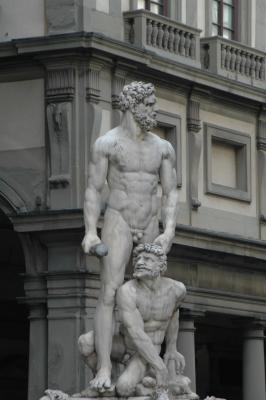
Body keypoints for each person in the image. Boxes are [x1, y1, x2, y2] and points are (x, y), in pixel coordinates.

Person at [82, 81, 179, 390]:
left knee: (150, 290)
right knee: (109, 293)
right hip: (119, 219)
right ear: (132, 106)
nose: (154, 110)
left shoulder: (163, 147)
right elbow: (94, 189)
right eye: (149, 104)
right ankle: (105, 368)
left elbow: (170, 193)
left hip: (150, 220)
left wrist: (170, 231)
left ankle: (145, 363)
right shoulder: (107, 144)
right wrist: (89, 232)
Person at [78, 244, 197, 399]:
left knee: (125, 388)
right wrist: (160, 367)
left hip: (147, 351)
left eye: (147, 259)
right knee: (85, 342)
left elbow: (173, 313)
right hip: (126, 343)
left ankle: (146, 383)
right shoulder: (127, 291)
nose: (140, 262)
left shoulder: (177, 289)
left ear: (161, 265)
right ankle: (107, 383)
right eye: (137, 259)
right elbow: (136, 333)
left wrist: (171, 348)